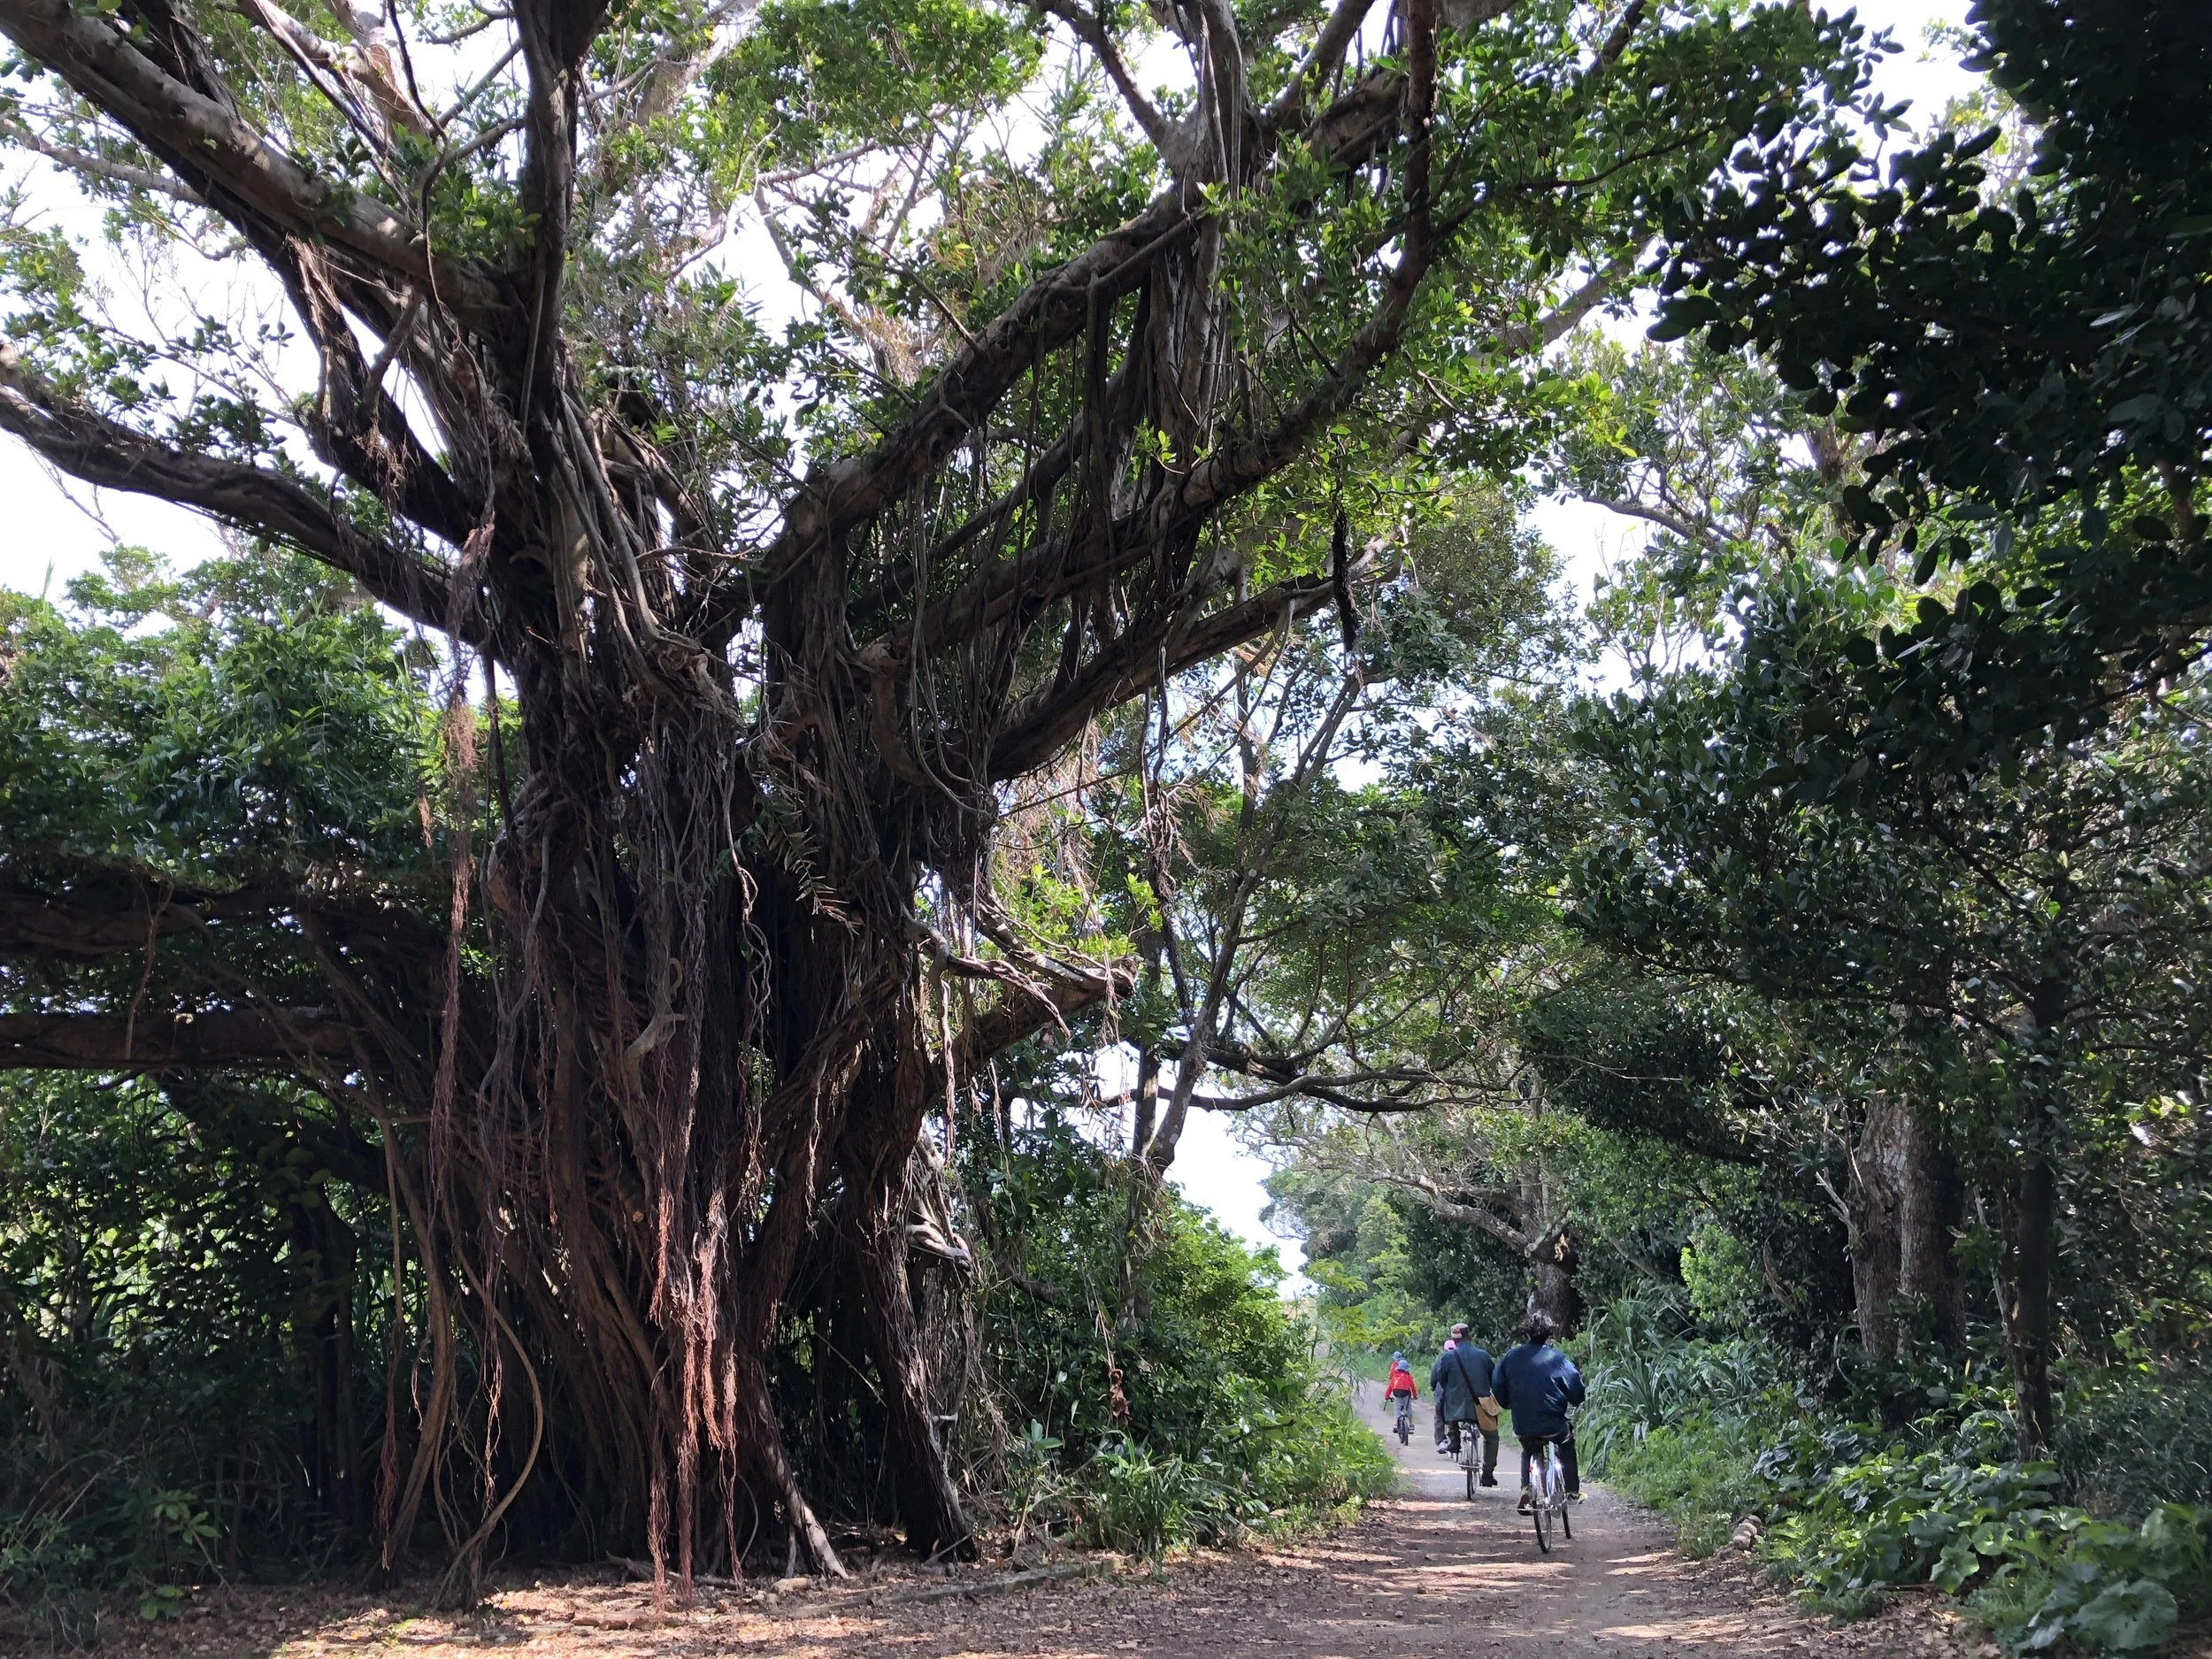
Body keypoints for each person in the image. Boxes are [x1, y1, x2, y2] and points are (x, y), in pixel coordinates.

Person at [1490, 1311, 1586, 1512]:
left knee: (1529, 1448)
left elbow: (1497, 1384)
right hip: (1553, 1423)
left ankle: (1526, 1486)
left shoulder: (1511, 1356)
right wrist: (1575, 1399)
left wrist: (1508, 1403)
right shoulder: (1557, 1358)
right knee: (1566, 1443)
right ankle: (1572, 1491)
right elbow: (1576, 1388)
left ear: (1527, 1333)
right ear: (1549, 1334)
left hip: (1523, 1422)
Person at [1430, 1322, 1499, 1484]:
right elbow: (1493, 1378)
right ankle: (1487, 1474)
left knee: (1444, 1402)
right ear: (1470, 1336)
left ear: (1453, 1341)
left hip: (1455, 1408)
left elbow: (1441, 1380)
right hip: (1481, 1408)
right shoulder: (1483, 1356)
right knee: (1491, 1437)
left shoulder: (1447, 1358)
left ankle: (1454, 1439)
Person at [1384, 1352, 1418, 1435]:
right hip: (1406, 1393)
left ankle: (1396, 1424)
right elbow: (1413, 1387)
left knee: (1397, 1408)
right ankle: (1410, 1425)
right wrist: (1415, 1396)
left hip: (1396, 1393)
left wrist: (1387, 1396)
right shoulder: (1408, 1376)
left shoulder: (1395, 1376)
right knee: (1408, 1408)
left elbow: (1390, 1388)